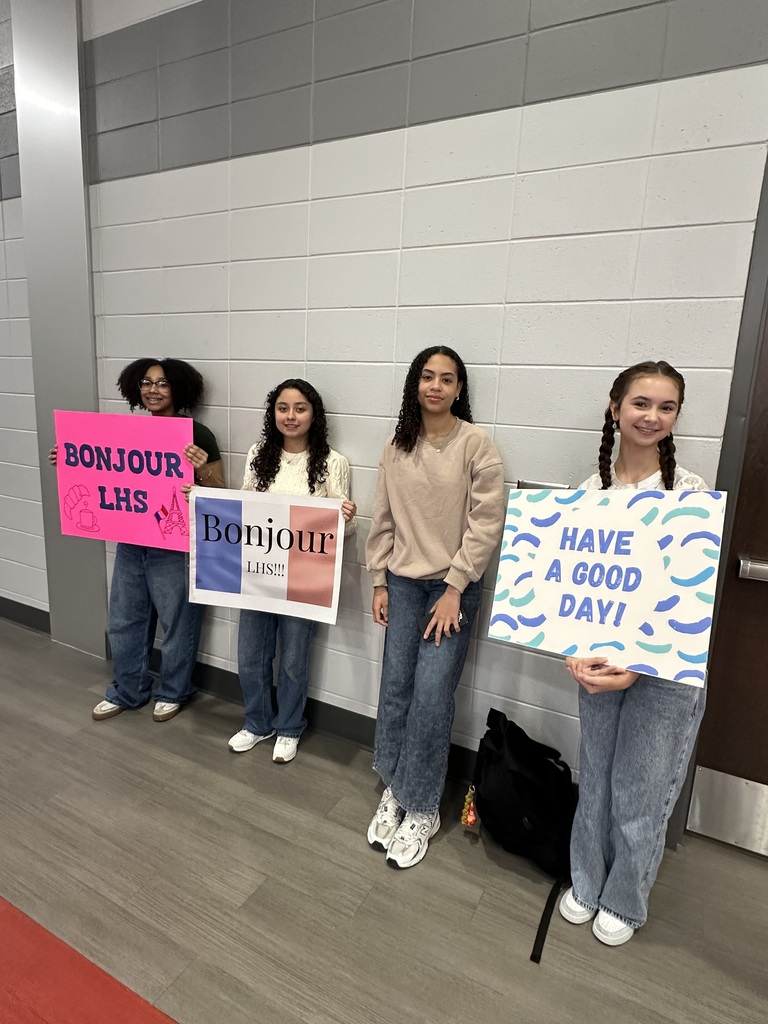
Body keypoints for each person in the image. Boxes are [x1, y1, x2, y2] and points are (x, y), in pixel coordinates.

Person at [559, 360, 709, 946]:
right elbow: (571, 592)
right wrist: (573, 653)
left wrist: (638, 664)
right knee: (596, 777)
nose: (652, 416)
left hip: (664, 673)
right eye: (641, 403)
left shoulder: (690, 494)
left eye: (666, 407)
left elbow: (686, 600)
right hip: (599, 666)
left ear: (676, 417)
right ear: (616, 407)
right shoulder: (588, 493)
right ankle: (586, 880)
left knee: (641, 791)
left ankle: (624, 898)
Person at [365, 346, 506, 868]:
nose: (436, 386)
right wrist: (378, 580)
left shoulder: (476, 445)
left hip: (451, 590)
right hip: (402, 585)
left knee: (431, 695)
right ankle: (395, 788)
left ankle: (422, 806)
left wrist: (454, 587)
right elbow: (382, 516)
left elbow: (486, 523)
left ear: (459, 388)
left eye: (447, 379)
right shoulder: (396, 445)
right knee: (396, 687)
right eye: (428, 377)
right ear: (415, 383)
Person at [50, 358, 225, 722]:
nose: (152, 390)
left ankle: (174, 690)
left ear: (178, 389)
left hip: (175, 546)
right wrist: (68, 458)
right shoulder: (127, 430)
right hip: (132, 540)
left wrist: (202, 469)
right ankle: (128, 689)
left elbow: (221, 492)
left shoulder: (197, 434)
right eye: (146, 383)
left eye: (162, 383)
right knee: (125, 620)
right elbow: (99, 464)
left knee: (178, 623)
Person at [229, 379, 356, 764]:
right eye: (283, 408)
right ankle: (257, 722)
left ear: (314, 415)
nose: (291, 416)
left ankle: (288, 728)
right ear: (273, 413)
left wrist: (347, 518)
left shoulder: (332, 462)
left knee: (293, 659)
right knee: (251, 654)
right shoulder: (258, 454)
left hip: (304, 578)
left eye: (300, 408)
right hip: (258, 572)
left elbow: (342, 531)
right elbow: (244, 507)